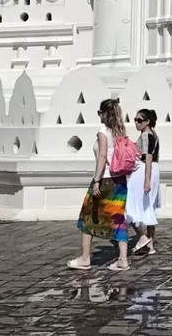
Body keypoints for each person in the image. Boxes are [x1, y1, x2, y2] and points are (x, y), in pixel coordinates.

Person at [67, 98, 134, 272]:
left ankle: (85, 258)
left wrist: (96, 180)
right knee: (118, 218)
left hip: (104, 179)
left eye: (99, 113)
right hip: (119, 180)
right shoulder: (119, 130)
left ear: (104, 113)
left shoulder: (103, 130)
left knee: (88, 217)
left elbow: (102, 156)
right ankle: (123, 260)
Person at [126, 108, 161, 255]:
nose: (136, 123)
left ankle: (143, 237)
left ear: (147, 122)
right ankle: (150, 243)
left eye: (139, 120)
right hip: (153, 169)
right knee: (149, 206)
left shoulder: (146, 136)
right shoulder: (153, 134)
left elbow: (147, 157)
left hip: (146, 170)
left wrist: (146, 180)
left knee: (133, 204)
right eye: (135, 120)